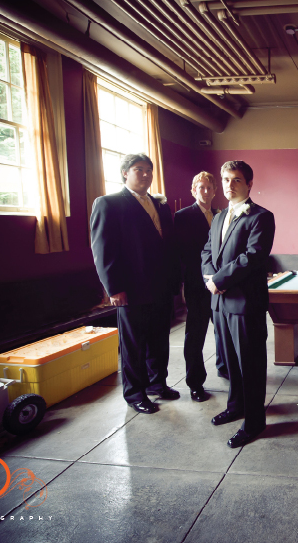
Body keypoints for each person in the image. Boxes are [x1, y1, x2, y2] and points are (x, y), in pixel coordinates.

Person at [90, 153, 180, 414]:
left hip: (161, 286)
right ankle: (135, 394)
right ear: (125, 173)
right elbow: (103, 250)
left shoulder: (160, 205)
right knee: (134, 345)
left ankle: (157, 384)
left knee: (159, 339)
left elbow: (168, 246)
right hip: (130, 289)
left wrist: (175, 281)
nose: (146, 174)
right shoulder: (109, 203)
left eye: (149, 170)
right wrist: (113, 288)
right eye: (139, 169)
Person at [201, 161, 275, 448]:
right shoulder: (219, 217)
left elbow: (253, 256)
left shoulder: (261, 217)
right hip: (220, 303)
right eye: (225, 179)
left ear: (249, 184)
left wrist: (219, 280)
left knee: (250, 364)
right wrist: (210, 277)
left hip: (245, 304)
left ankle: (255, 421)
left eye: (236, 180)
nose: (229, 185)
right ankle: (236, 406)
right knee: (230, 361)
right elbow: (207, 251)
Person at [174, 171, 226, 404]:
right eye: (201, 188)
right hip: (196, 285)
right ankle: (195, 383)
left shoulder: (221, 215)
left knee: (223, 331)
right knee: (195, 335)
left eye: (209, 188)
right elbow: (182, 254)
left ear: (215, 191)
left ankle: (225, 367)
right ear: (193, 191)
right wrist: (184, 284)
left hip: (221, 285)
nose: (205, 191)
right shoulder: (183, 216)